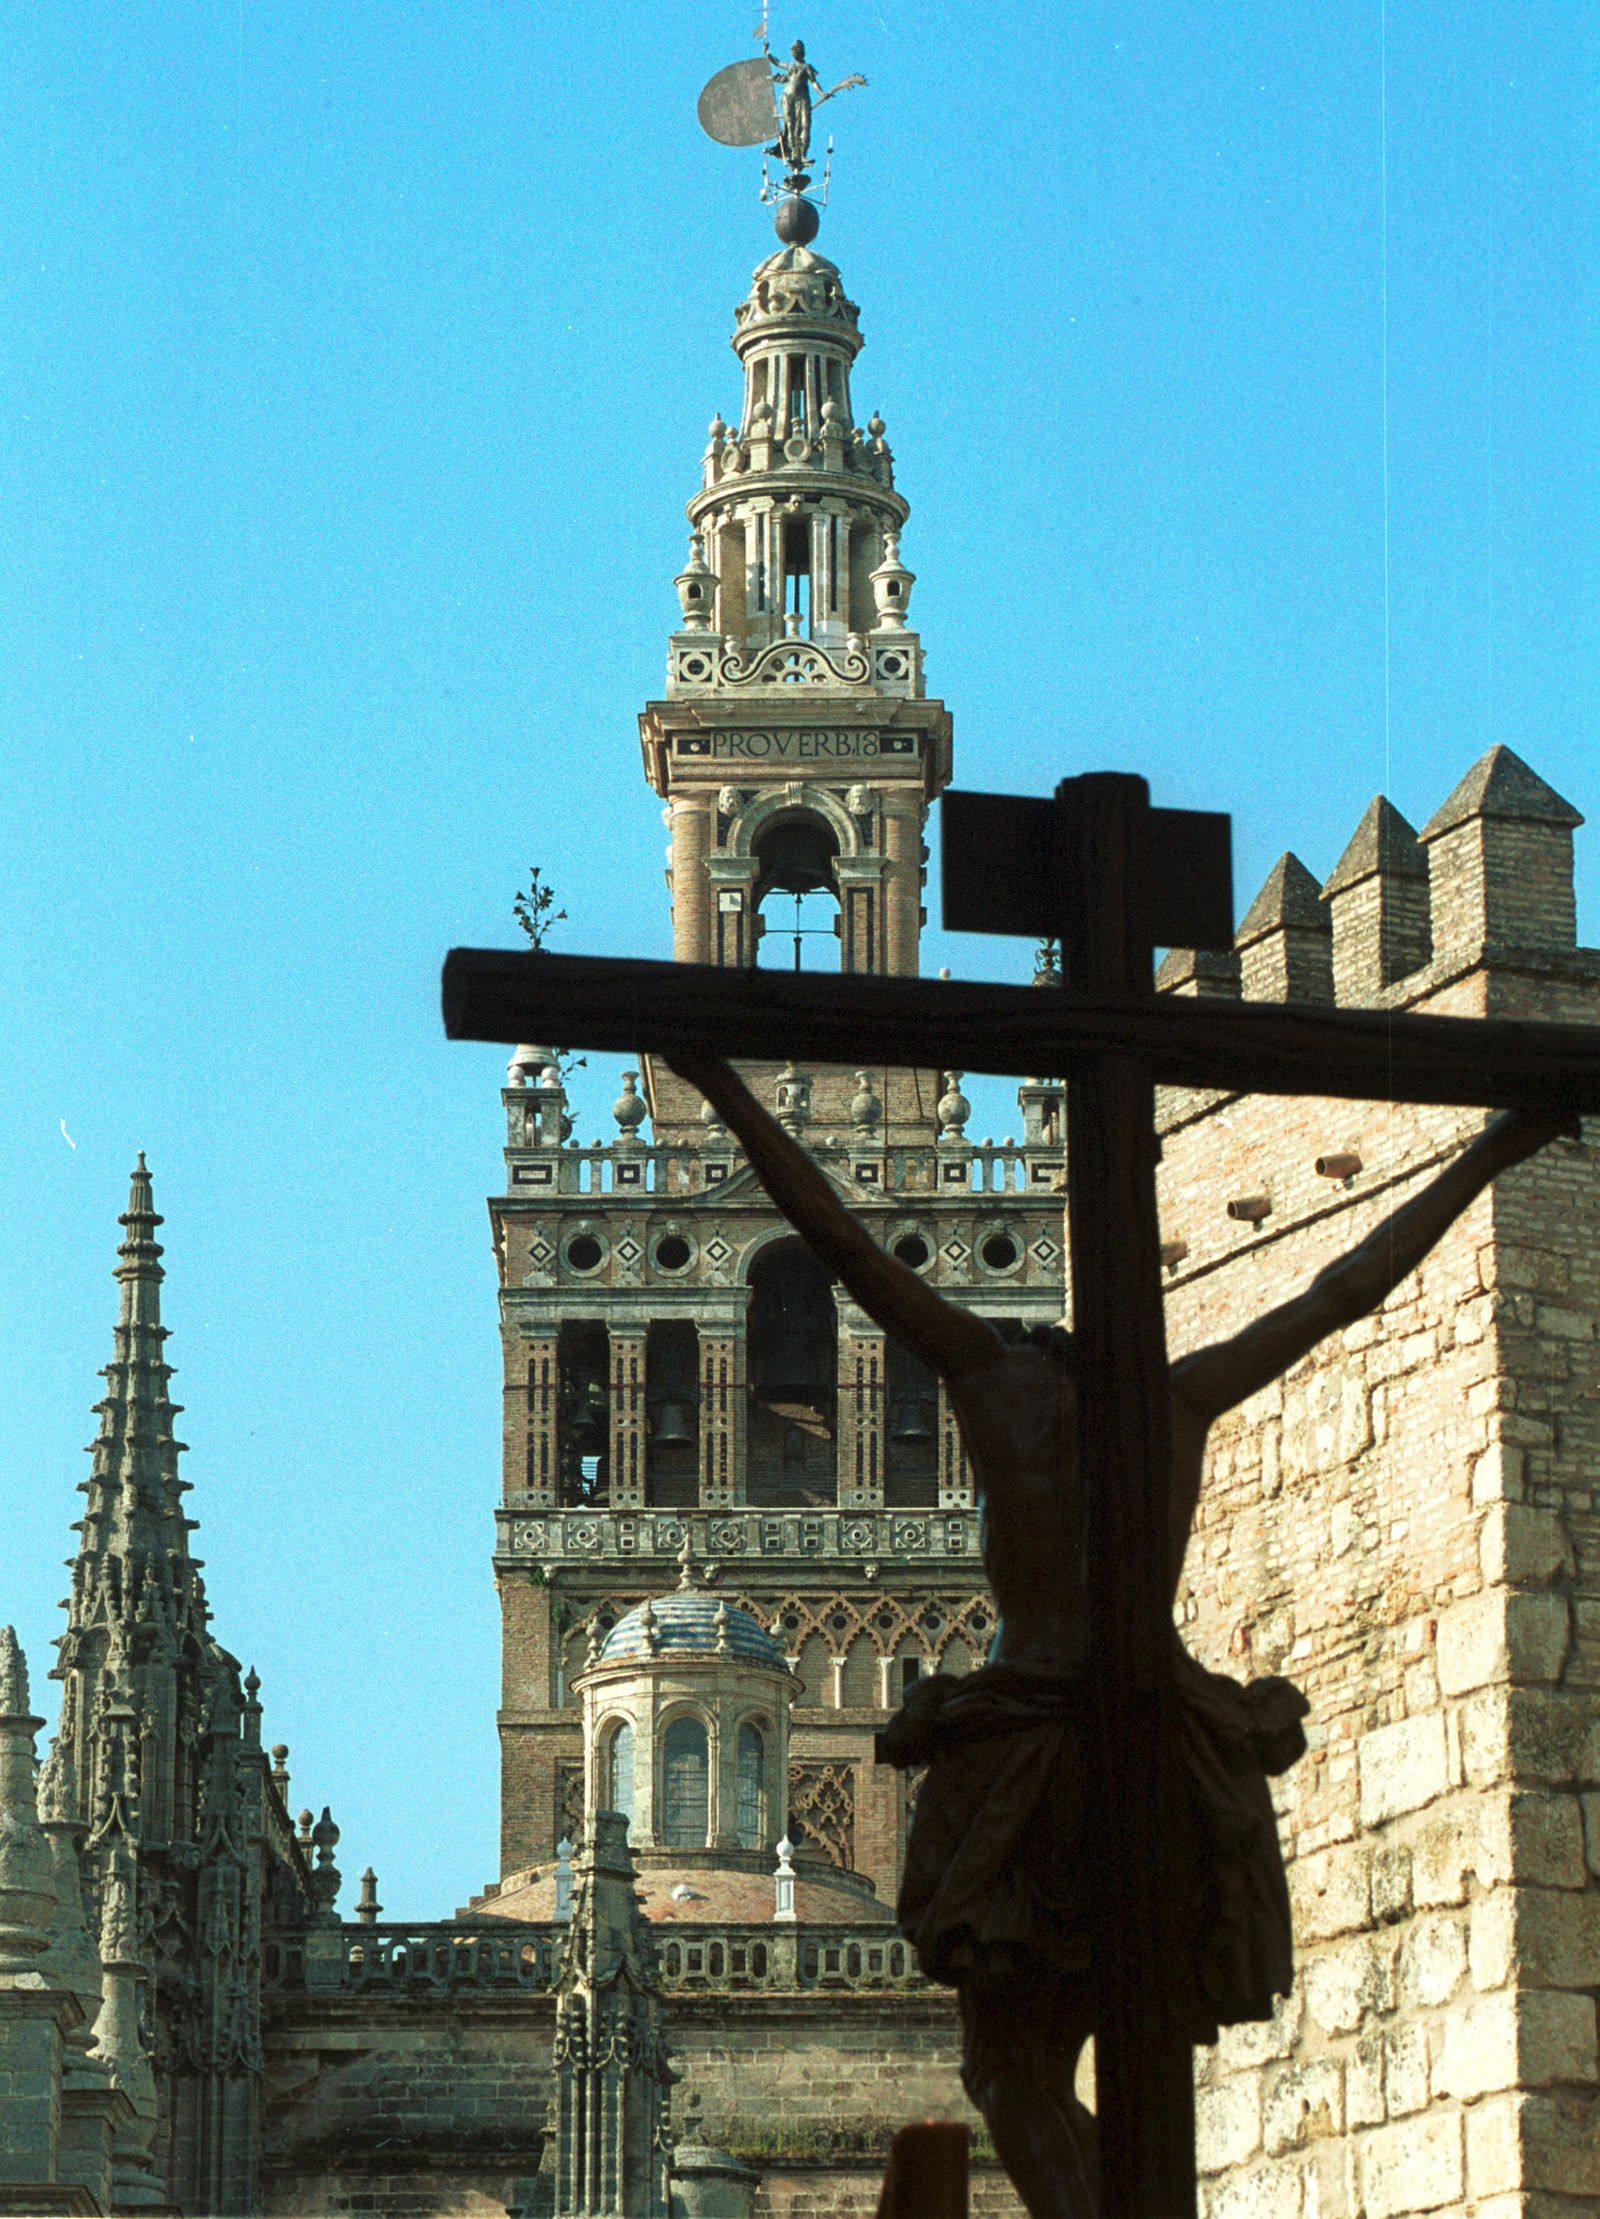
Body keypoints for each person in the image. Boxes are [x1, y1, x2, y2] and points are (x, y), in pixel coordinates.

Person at [668, 1051, 1572, 2219]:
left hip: (1030, 1743)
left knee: (1008, 2069)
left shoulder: (988, 1377)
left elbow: (836, 1240)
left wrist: (718, 1076)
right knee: (1146, 2052)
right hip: (1171, 1740)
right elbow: (1346, 1286)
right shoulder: (1180, 1398)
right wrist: (1495, 1146)